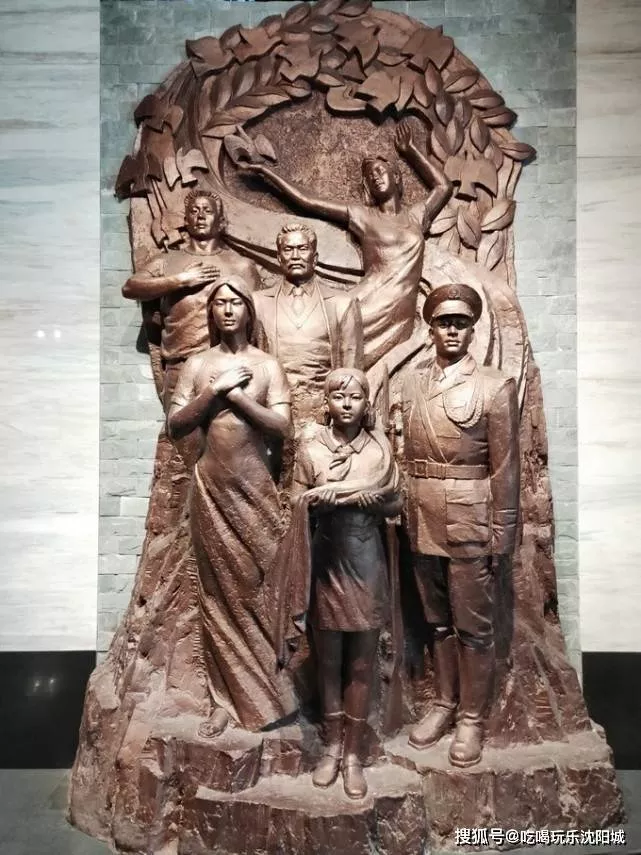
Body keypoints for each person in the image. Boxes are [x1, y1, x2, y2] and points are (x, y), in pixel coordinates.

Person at [167, 275, 297, 735]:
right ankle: (224, 699)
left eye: (235, 302)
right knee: (219, 594)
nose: (227, 310)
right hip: (211, 488)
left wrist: (237, 396)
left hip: (255, 488)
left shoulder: (266, 365)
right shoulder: (198, 364)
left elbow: (282, 427)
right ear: (211, 311)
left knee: (260, 586)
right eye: (219, 302)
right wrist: (213, 391)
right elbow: (175, 424)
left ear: (248, 310)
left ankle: (274, 693)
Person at [401, 283, 520, 767]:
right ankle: (444, 704)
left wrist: (503, 531)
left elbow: (505, 466)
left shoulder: (494, 385)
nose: (451, 330)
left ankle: (471, 719)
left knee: (473, 626)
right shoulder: (411, 383)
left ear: (472, 330)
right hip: (421, 514)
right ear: (430, 328)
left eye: (460, 323)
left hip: (471, 517)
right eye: (443, 322)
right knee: (437, 621)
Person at [275, 369, 401, 799]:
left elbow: (396, 500)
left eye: (355, 397)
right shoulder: (312, 448)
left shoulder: (379, 449)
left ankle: (353, 753)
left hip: (366, 561)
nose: (347, 404)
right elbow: (295, 499)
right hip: (326, 562)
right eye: (338, 396)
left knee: (361, 664)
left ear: (366, 403)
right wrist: (318, 502)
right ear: (327, 402)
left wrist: (376, 501)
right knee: (328, 661)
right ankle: (331, 746)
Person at [239, 121, 452, 372]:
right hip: (369, 304)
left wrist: (410, 151)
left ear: (396, 177)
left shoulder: (417, 216)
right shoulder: (364, 216)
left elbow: (443, 187)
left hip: (400, 312)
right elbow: (308, 201)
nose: (375, 177)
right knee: (322, 352)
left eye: (380, 171)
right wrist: (266, 171)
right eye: (370, 177)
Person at [123, 188, 262, 411]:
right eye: (194, 211)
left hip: (229, 366)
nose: (200, 216)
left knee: (230, 430)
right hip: (181, 364)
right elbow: (131, 287)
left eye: (208, 211)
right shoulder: (167, 261)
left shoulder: (240, 265)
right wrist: (180, 280)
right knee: (178, 429)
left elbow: (256, 321)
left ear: (221, 222)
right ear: (186, 220)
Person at [252, 223, 363, 428]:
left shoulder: (342, 304)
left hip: (323, 421)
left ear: (315, 257)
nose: (295, 256)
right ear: (279, 258)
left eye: (302, 249)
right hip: (272, 416)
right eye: (288, 249)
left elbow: (352, 373)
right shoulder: (257, 303)